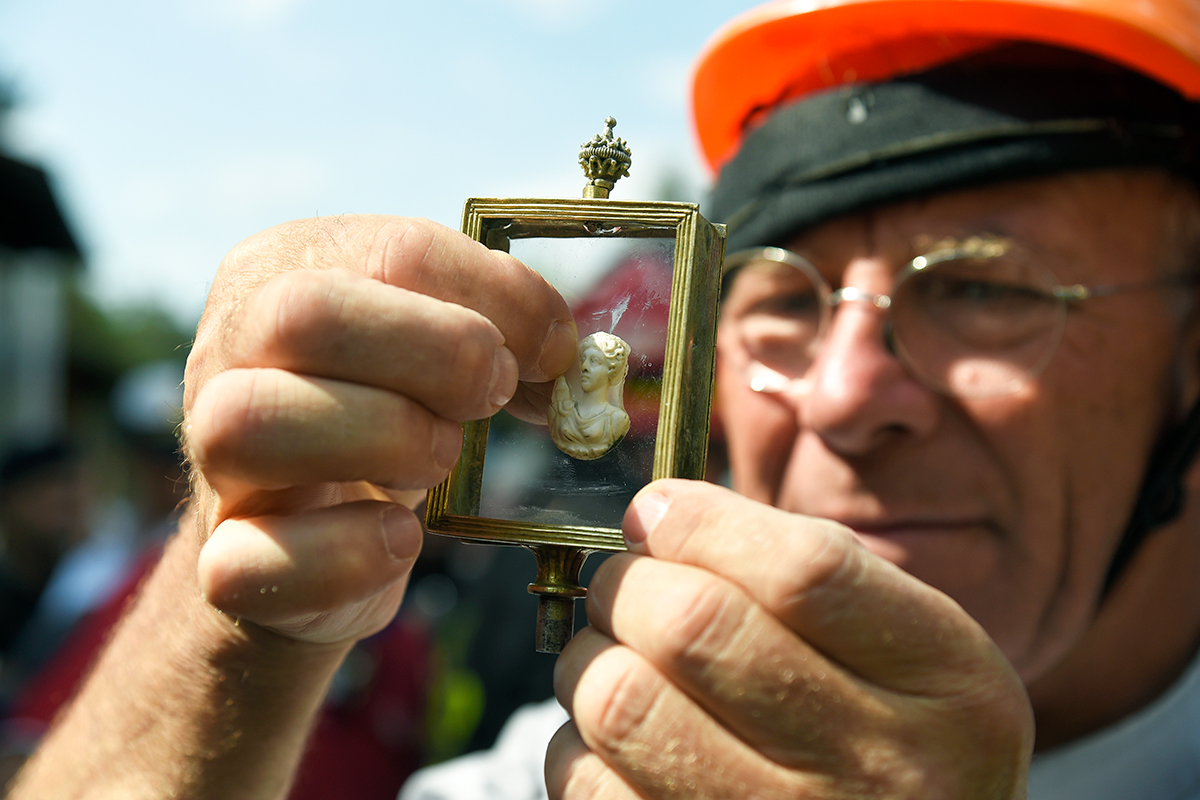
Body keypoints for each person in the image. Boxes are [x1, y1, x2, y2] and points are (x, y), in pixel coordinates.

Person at [9, 1, 1200, 798]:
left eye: (988, 287)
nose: (844, 394)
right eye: (782, 300)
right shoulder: (584, 759)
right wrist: (235, 624)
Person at [548, 331, 632, 460]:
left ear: (611, 371)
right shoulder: (562, 410)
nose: (584, 367)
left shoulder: (616, 419)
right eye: (584, 360)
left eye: (594, 361)